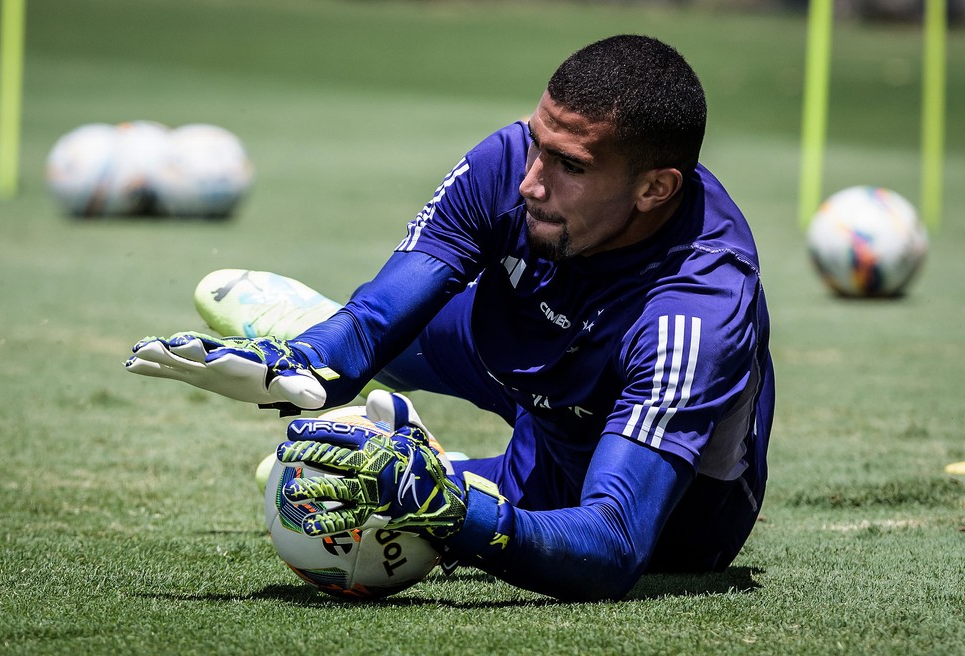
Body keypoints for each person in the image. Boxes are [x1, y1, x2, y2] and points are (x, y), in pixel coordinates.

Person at [126, 34, 774, 601]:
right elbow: (384, 308)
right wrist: (313, 364)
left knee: (348, 494)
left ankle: (438, 466)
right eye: (537, 142)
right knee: (386, 332)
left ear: (655, 189)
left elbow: (612, 543)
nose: (531, 181)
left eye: (570, 166)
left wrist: (447, 511)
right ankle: (311, 338)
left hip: (638, 512)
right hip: (535, 374)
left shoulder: (694, 313)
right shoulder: (513, 162)